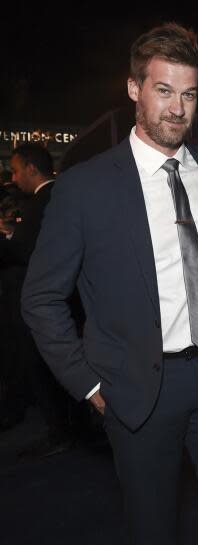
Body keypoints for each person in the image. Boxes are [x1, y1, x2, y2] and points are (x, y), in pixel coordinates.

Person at [21, 23, 198, 545]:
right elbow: (40, 298)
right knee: (153, 534)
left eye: (188, 94)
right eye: (163, 90)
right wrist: (89, 385)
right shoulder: (85, 188)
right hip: (141, 387)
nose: (177, 108)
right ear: (133, 89)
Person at [1, 144, 78, 456]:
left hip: (42, 301)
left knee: (42, 365)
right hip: (64, 300)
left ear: (32, 169)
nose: (14, 178)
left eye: (17, 170)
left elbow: (24, 252)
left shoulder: (41, 202)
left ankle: (60, 432)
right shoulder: (58, 197)